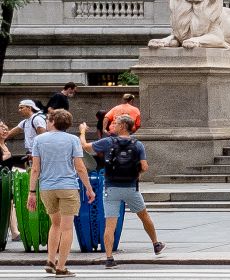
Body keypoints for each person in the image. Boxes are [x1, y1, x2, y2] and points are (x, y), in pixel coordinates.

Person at [93, 113, 163, 267]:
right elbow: (144, 166)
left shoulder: (108, 142)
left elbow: (85, 147)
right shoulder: (137, 144)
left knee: (110, 224)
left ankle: (109, 258)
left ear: (123, 126)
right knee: (144, 216)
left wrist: (82, 132)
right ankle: (156, 244)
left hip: (111, 188)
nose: (113, 125)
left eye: (116, 123)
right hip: (131, 187)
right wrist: (136, 174)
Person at [28, 107, 91, 276]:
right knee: (67, 228)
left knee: (55, 224)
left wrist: (31, 192)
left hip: (47, 188)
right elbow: (80, 167)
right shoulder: (73, 140)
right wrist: (89, 188)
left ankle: (50, 260)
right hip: (68, 187)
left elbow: (35, 169)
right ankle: (61, 267)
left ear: (53, 121)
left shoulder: (39, 140)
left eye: (48, 120)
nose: (46, 123)